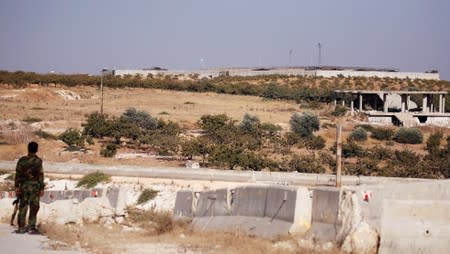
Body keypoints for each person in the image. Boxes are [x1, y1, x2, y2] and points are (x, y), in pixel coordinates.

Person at [14, 141, 44, 234]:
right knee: (34, 207)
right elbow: (40, 175)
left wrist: (17, 187)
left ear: (28, 149)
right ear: (37, 149)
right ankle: (31, 226)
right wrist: (41, 188)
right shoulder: (38, 161)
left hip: (24, 187)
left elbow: (18, 174)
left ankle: (21, 227)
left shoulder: (22, 160)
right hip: (35, 187)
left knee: (23, 206)